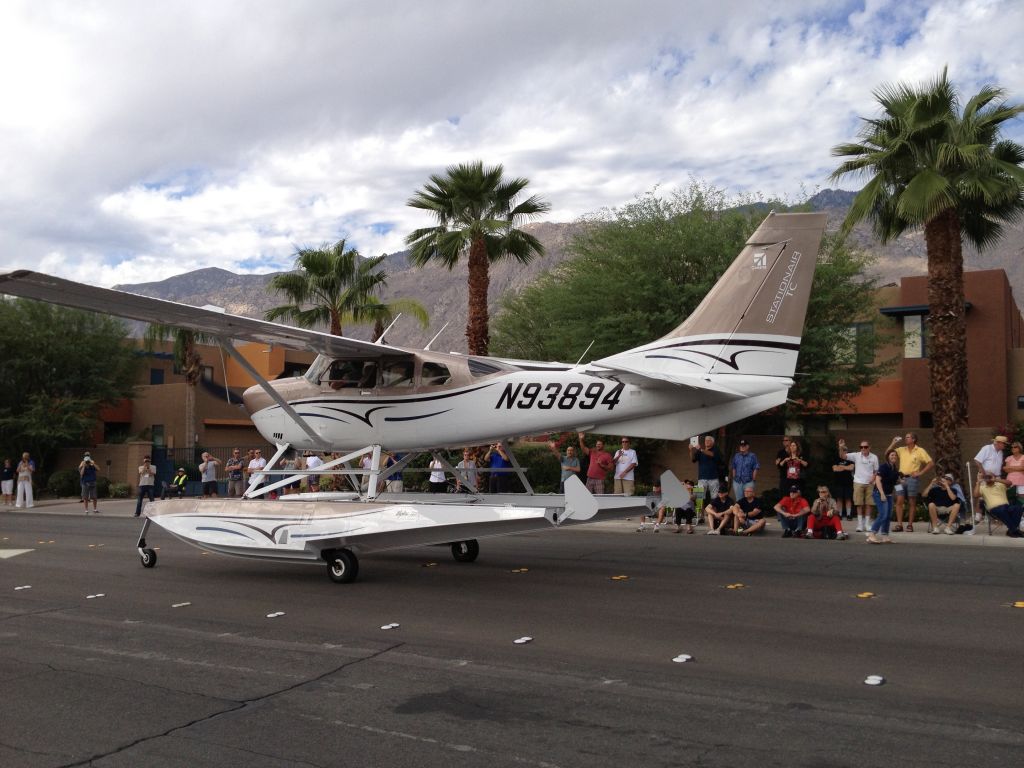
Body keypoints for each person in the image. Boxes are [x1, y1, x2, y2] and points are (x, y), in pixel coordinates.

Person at [885, 433, 934, 532]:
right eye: (906, 437)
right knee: (899, 501)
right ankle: (899, 525)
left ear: (914, 439)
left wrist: (920, 473)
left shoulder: (920, 450)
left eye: (908, 437)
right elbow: (887, 454)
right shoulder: (901, 449)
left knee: (912, 502)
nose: (905, 439)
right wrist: (893, 443)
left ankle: (910, 525)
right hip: (900, 479)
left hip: (913, 479)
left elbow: (931, 463)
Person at [838, 438, 879, 533]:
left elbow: (876, 470)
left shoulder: (874, 457)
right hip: (858, 482)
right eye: (861, 447)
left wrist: (873, 478)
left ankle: (867, 524)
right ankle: (860, 524)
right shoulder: (856, 455)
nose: (863, 448)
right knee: (859, 504)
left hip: (870, 483)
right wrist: (841, 447)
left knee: (869, 504)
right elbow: (842, 456)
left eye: (865, 447)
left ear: (869, 447)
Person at [973, 473, 1023, 538]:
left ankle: (1012, 530)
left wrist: (996, 480)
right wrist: (978, 483)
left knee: (1018, 508)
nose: (989, 478)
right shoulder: (982, 487)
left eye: (990, 477)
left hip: (1006, 507)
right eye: (987, 477)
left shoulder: (1000, 485)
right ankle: (1014, 530)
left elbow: (1010, 483)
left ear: (994, 477)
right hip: (994, 509)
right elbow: (975, 495)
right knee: (1002, 510)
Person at [867, 449, 900, 544]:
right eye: (892, 455)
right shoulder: (884, 467)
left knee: (888, 515)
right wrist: (882, 493)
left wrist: (900, 488)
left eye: (895, 455)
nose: (894, 457)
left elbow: (896, 483)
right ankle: (872, 534)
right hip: (879, 493)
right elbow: (877, 480)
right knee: (883, 514)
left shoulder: (895, 469)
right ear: (888, 457)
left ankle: (885, 535)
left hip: (889, 495)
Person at [690, 435, 722, 500]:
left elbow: (712, 454)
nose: (706, 441)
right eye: (705, 440)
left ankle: (712, 510)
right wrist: (690, 450)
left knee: (715, 498)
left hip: (713, 478)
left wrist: (700, 449)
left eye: (709, 440)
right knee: (699, 498)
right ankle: (699, 510)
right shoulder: (700, 451)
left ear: (713, 442)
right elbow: (693, 459)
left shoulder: (716, 449)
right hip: (701, 478)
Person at [830, 446, 855, 521]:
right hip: (838, 482)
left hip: (848, 482)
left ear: (846, 451)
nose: (842, 452)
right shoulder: (836, 460)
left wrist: (841, 467)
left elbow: (851, 468)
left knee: (848, 499)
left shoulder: (850, 460)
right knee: (839, 499)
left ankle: (848, 514)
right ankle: (839, 514)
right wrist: (845, 467)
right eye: (841, 450)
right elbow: (835, 469)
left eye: (844, 450)